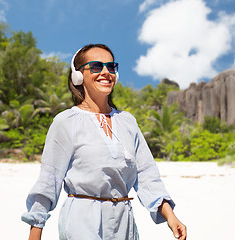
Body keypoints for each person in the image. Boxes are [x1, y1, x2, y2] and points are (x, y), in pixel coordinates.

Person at [21, 43, 187, 240]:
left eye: (111, 67)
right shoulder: (65, 122)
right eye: (97, 66)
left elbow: (146, 175)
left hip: (124, 223)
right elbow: (49, 180)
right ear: (78, 75)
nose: (106, 72)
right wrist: (35, 231)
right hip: (81, 221)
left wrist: (171, 217)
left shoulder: (127, 122)